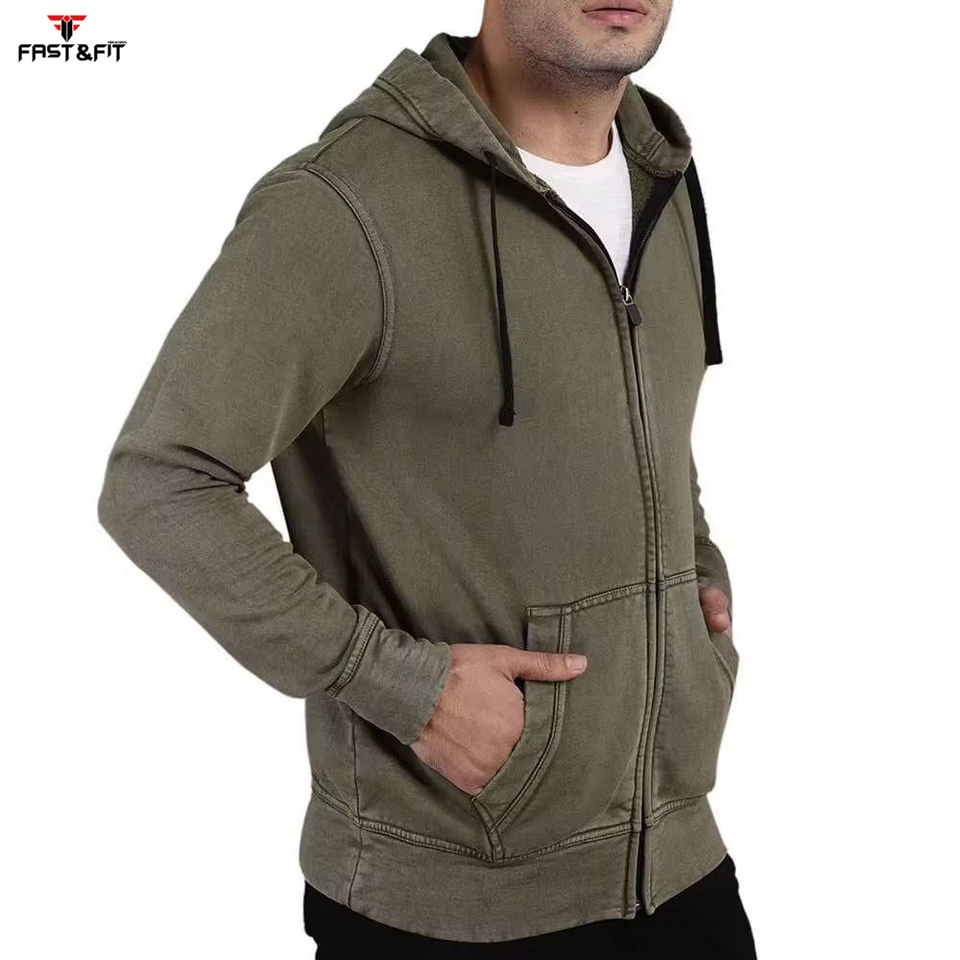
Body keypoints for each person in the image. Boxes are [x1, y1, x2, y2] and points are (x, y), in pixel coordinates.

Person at [97, 1, 755, 955]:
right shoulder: (348, 203)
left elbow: (649, 422)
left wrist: (696, 572)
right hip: (444, 902)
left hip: (681, 865)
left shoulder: (663, 178)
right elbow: (160, 480)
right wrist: (404, 685)